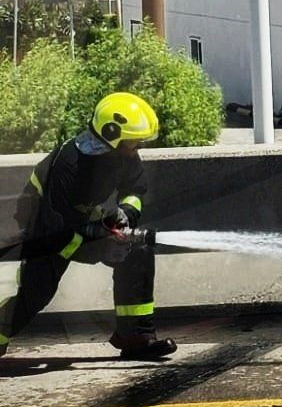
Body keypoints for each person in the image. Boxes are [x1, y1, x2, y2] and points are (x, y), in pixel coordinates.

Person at [0, 93, 176, 359]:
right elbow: (56, 231)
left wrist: (126, 213)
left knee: (137, 251)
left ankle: (136, 336)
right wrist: (98, 243)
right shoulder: (67, 166)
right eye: (133, 140)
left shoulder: (123, 154)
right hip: (43, 228)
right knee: (36, 294)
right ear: (111, 133)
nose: (138, 145)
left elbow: (135, 189)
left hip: (81, 224)